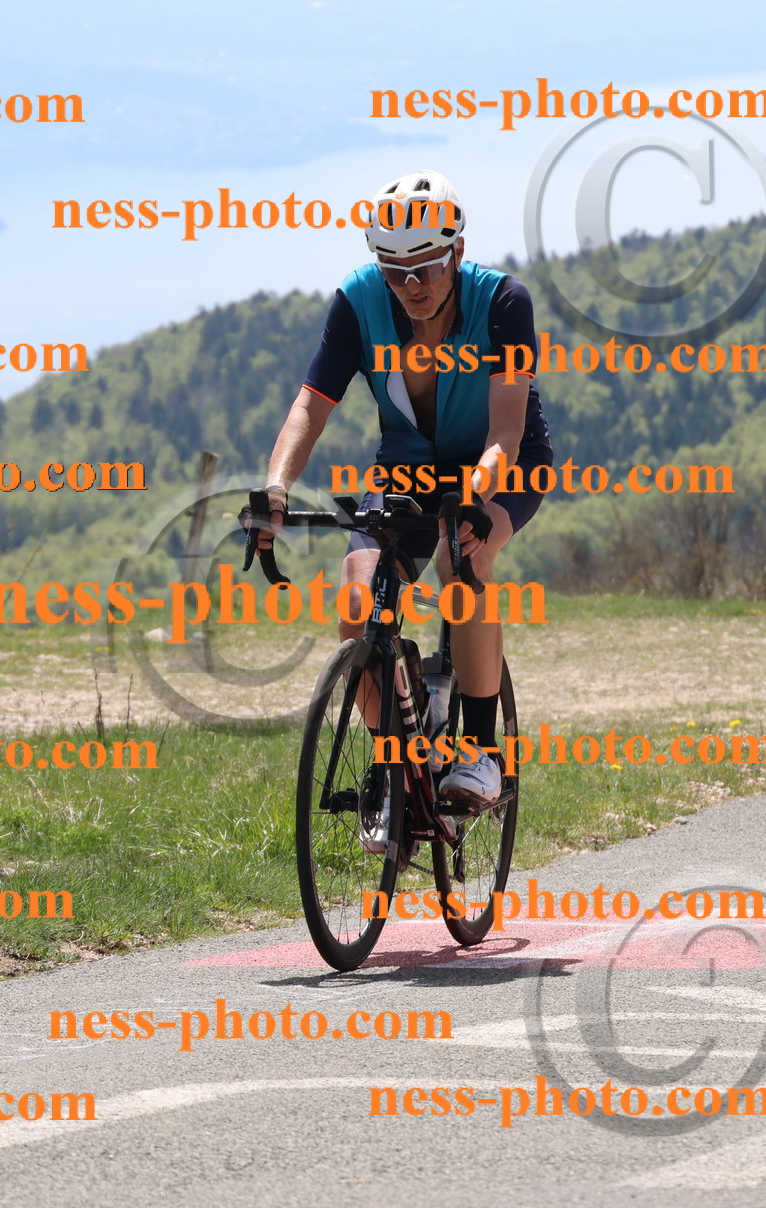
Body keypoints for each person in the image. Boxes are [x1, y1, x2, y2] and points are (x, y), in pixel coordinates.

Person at [251, 169, 554, 846]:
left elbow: (506, 430)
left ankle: (478, 751)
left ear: (456, 251)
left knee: (460, 557)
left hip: (501, 464)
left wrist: (475, 496)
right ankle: (398, 765)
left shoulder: (503, 301)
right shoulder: (359, 305)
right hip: (409, 469)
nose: (412, 284)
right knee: (359, 606)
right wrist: (277, 487)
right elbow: (311, 405)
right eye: (395, 269)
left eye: (426, 265)